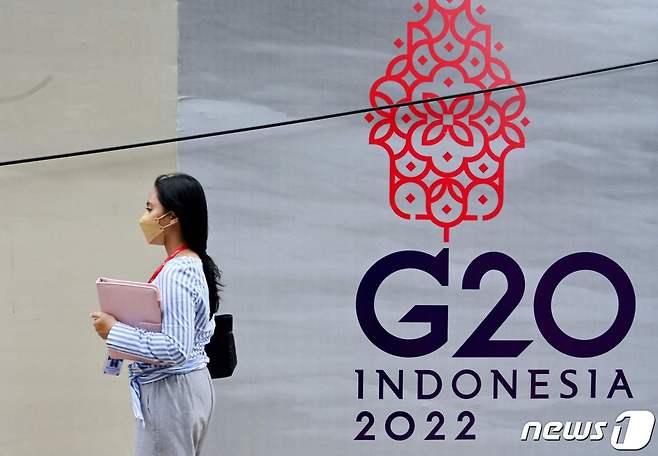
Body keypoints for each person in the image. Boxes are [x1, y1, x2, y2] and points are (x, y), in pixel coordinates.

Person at [90, 172, 224, 455]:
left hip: (171, 392)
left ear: (171, 217)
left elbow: (175, 347)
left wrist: (113, 331)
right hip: (185, 389)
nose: (145, 216)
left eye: (151, 209)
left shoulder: (177, 272)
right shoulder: (191, 263)